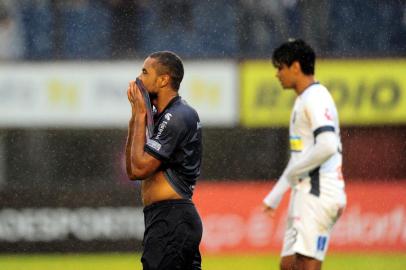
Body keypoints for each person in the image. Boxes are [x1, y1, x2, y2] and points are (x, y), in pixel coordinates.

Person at [262, 39, 347, 270]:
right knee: (288, 265)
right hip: (305, 192)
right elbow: (300, 157)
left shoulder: (316, 98)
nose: (277, 74)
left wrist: (295, 173)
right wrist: (276, 194)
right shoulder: (305, 99)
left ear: (296, 67)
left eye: (280, 67)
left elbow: (327, 145)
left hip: (317, 193)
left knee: (305, 265)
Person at [125, 51, 203, 270]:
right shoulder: (161, 116)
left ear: (163, 79)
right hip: (167, 219)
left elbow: (140, 169)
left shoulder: (178, 115)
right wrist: (135, 117)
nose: (139, 78)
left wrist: (141, 116)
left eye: (144, 72)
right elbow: (131, 170)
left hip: (172, 220)